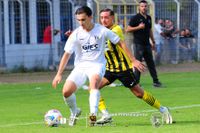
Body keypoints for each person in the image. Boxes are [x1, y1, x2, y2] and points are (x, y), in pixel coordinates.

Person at [95, 8, 173, 125]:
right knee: (94, 88)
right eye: (101, 18)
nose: (103, 20)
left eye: (106, 17)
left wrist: (134, 60)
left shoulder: (116, 29)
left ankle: (163, 109)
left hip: (123, 69)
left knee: (139, 94)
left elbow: (119, 43)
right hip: (110, 69)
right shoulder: (101, 30)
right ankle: (106, 115)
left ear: (112, 18)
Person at [52, 6, 122, 126]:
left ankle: (93, 116)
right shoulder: (76, 34)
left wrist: (133, 60)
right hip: (80, 67)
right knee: (66, 92)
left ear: (90, 17)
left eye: (83, 19)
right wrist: (59, 74)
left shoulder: (101, 30)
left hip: (97, 64)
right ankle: (75, 111)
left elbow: (119, 41)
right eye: (78, 20)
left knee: (94, 83)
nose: (81, 23)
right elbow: (66, 54)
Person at [126, 0, 162, 87]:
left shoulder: (149, 18)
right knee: (138, 64)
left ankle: (156, 81)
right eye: (142, 6)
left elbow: (150, 30)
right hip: (138, 44)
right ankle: (136, 83)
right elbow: (127, 29)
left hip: (147, 44)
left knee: (151, 63)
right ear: (139, 7)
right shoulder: (135, 18)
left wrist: (153, 41)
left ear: (147, 7)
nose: (144, 8)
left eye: (145, 6)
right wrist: (139, 27)